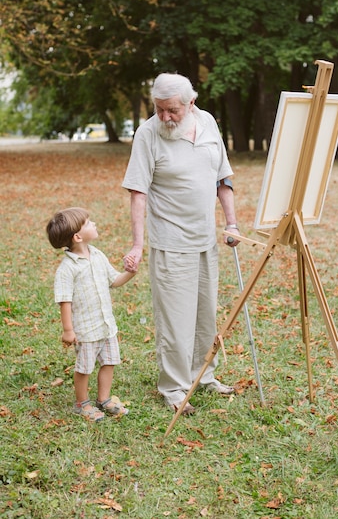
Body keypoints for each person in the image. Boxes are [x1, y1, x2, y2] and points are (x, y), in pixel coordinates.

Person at [122, 72, 240, 415]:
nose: (164, 117)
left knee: (206, 315)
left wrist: (231, 222)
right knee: (176, 319)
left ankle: (202, 375)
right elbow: (138, 191)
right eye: (159, 109)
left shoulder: (207, 123)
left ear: (191, 103)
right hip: (171, 241)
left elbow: (223, 177)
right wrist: (137, 244)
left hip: (206, 240)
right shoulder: (148, 134)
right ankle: (173, 387)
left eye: (171, 110)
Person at [46, 207, 136, 422]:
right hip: (86, 330)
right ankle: (82, 403)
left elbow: (113, 281)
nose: (94, 223)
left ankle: (104, 399)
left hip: (106, 325)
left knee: (109, 362)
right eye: (88, 222)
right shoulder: (68, 268)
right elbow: (64, 300)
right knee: (84, 368)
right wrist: (68, 330)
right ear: (77, 236)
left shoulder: (97, 255)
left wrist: (130, 272)